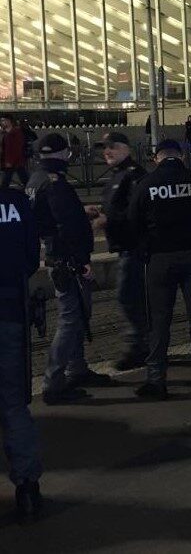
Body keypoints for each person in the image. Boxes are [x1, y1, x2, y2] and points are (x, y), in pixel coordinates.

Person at [128, 139, 191, 399]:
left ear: (156, 158)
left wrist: (145, 247)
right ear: (181, 156)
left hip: (159, 260)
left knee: (158, 321)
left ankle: (156, 380)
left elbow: (133, 221)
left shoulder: (146, 183)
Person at [26, 133, 110, 405]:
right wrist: (83, 259)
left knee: (74, 316)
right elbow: (67, 227)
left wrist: (80, 213)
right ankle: (54, 381)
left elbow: (49, 218)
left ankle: (77, 369)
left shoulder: (36, 179)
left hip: (56, 257)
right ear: (63, 154)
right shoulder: (56, 183)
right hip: (67, 260)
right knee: (71, 318)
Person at [86, 132, 149, 370]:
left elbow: (137, 213)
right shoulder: (117, 175)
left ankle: (138, 347)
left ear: (128, 148)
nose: (107, 151)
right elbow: (116, 207)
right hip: (125, 247)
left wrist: (107, 220)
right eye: (104, 147)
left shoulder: (134, 175)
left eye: (113, 146)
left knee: (129, 297)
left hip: (135, 248)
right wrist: (99, 212)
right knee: (131, 297)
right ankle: (145, 345)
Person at [0, 186, 43, 516]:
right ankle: (28, 491)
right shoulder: (14, 202)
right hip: (10, 310)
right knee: (14, 405)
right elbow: (31, 257)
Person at [1, 114, 29, 189]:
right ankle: (31, 192)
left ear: (9, 121)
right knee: (23, 177)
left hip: (14, 161)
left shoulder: (15, 132)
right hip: (14, 161)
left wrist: (10, 161)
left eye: (4, 121)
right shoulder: (7, 133)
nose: (2, 122)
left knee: (7, 180)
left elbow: (17, 148)